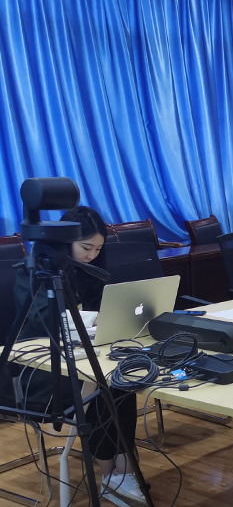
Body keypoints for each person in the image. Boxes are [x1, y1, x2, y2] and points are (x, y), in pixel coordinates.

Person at [1, 206, 145, 507]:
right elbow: (43, 320)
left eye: (98, 249)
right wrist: (91, 320)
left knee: (120, 379)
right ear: (65, 242)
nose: (92, 255)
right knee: (106, 385)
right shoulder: (34, 270)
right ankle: (111, 474)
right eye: (86, 247)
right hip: (44, 370)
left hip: (82, 358)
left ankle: (122, 469)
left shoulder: (88, 270)